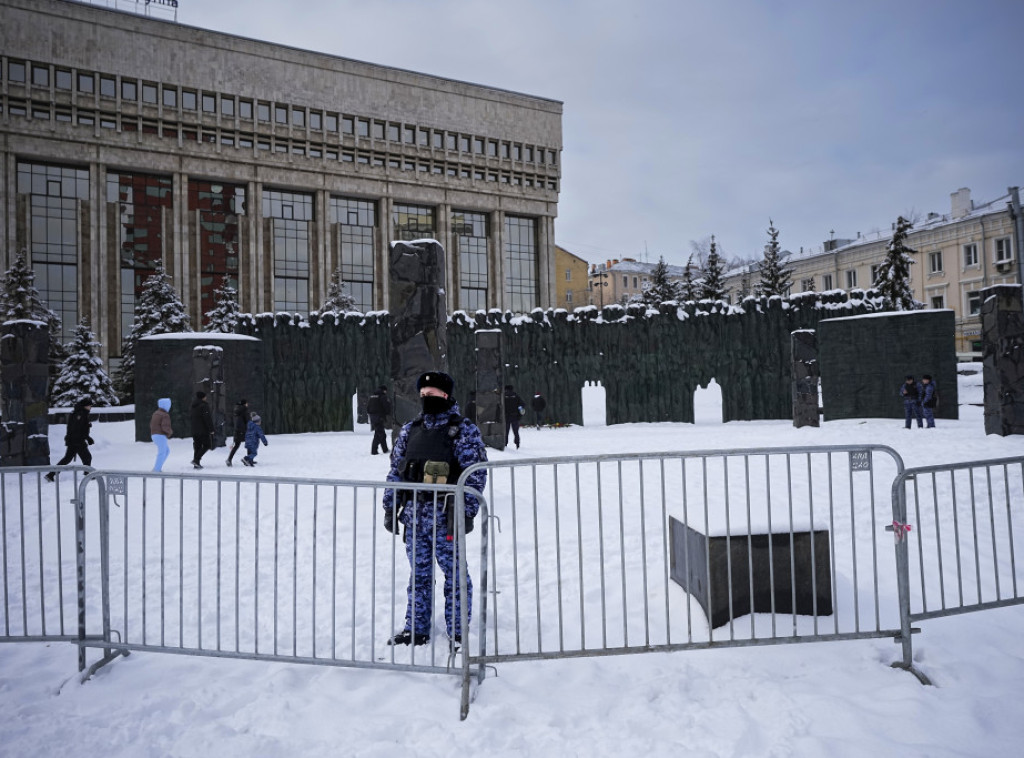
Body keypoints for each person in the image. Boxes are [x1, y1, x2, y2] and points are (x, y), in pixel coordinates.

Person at [382, 371, 487, 648]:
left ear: (446, 395)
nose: (427, 398)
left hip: (446, 518)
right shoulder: (411, 429)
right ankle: (416, 629)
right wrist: (390, 506)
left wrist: (467, 511)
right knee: (419, 576)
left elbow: (475, 474)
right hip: (415, 518)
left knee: (455, 575)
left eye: (433, 393)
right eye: (423, 394)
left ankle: (458, 631)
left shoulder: (463, 430)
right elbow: (396, 471)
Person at [45, 398, 94, 481]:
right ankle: (88, 474)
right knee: (87, 457)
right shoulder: (80, 414)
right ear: (85, 406)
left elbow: (79, 427)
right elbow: (77, 428)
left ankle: (51, 474)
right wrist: (87, 437)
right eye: (89, 406)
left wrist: (87, 435)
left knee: (67, 459)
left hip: (73, 440)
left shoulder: (79, 413)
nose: (90, 407)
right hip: (77, 441)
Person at [190, 390, 215, 469]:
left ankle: (196, 463)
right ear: (203, 397)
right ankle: (196, 460)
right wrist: (211, 429)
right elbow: (207, 418)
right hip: (203, 430)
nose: (206, 398)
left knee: (197, 446)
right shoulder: (204, 406)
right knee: (207, 445)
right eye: (205, 396)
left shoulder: (193, 406)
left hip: (194, 429)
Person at [366, 385, 391, 455]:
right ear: (384, 390)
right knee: (379, 434)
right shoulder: (383, 397)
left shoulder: (372, 397)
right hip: (379, 417)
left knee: (381, 433)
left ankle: (385, 449)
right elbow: (386, 407)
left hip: (372, 417)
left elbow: (368, 408)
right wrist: (387, 412)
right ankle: (374, 450)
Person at [150, 397, 173, 472]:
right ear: (166, 405)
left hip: (154, 435)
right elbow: (165, 426)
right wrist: (169, 432)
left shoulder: (155, 413)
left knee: (166, 451)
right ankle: (157, 469)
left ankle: (158, 467)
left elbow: (151, 424)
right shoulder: (165, 415)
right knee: (162, 452)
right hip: (160, 435)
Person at [225, 398, 249, 466]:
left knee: (236, 445)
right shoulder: (244, 410)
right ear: (244, 404)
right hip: (243, 430)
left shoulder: (236, 410)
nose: (247, 404)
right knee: (250, 444)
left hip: (237, 430)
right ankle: (248, 459)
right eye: (246, 403)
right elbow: (247, 421)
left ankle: (229, 459)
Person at [503, 384, 524, 449]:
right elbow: (522, 404)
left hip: (506, 416)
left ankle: (505, 443)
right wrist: (519, 415)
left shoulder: (503, 396)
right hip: (514, 416)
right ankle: (517, 443)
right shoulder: (516, 396)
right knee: (516, 431)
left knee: (506, 431)